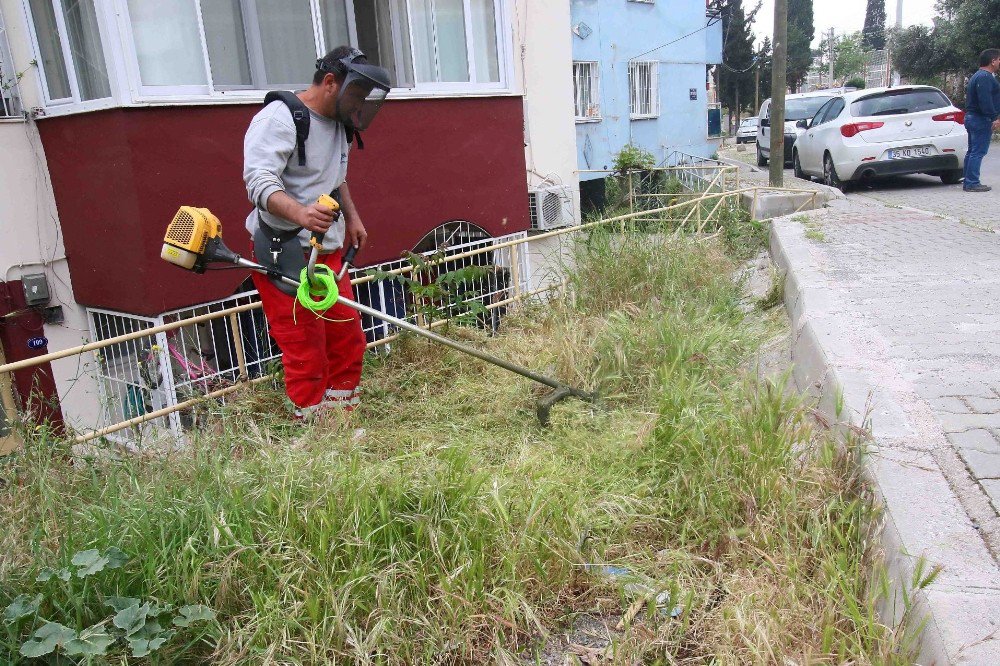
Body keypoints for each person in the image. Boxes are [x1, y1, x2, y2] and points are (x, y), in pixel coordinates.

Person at [243, 46, 390, 418]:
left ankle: (341, 420)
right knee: (304, 346)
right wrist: (301, 213)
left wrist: (352, 219)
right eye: (356, 94)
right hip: (283, 252)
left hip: (327, 250)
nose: (359, 104)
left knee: (346, 337)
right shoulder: (278, 119)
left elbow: (336, 179)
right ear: (329, 83)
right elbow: (258, 182)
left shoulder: (340, 122)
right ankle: (313, 432)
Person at [963, 48, 1000, 192]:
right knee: (978, 151)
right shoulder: (985, 77)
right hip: (980, 119)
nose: (999, 62)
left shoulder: (978, 76)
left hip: (973, 117)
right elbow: (985, 100)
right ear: (992, 61)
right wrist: (994, 118)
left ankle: (967, 180)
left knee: (972, 151)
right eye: (998, 59)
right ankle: (972, 182)